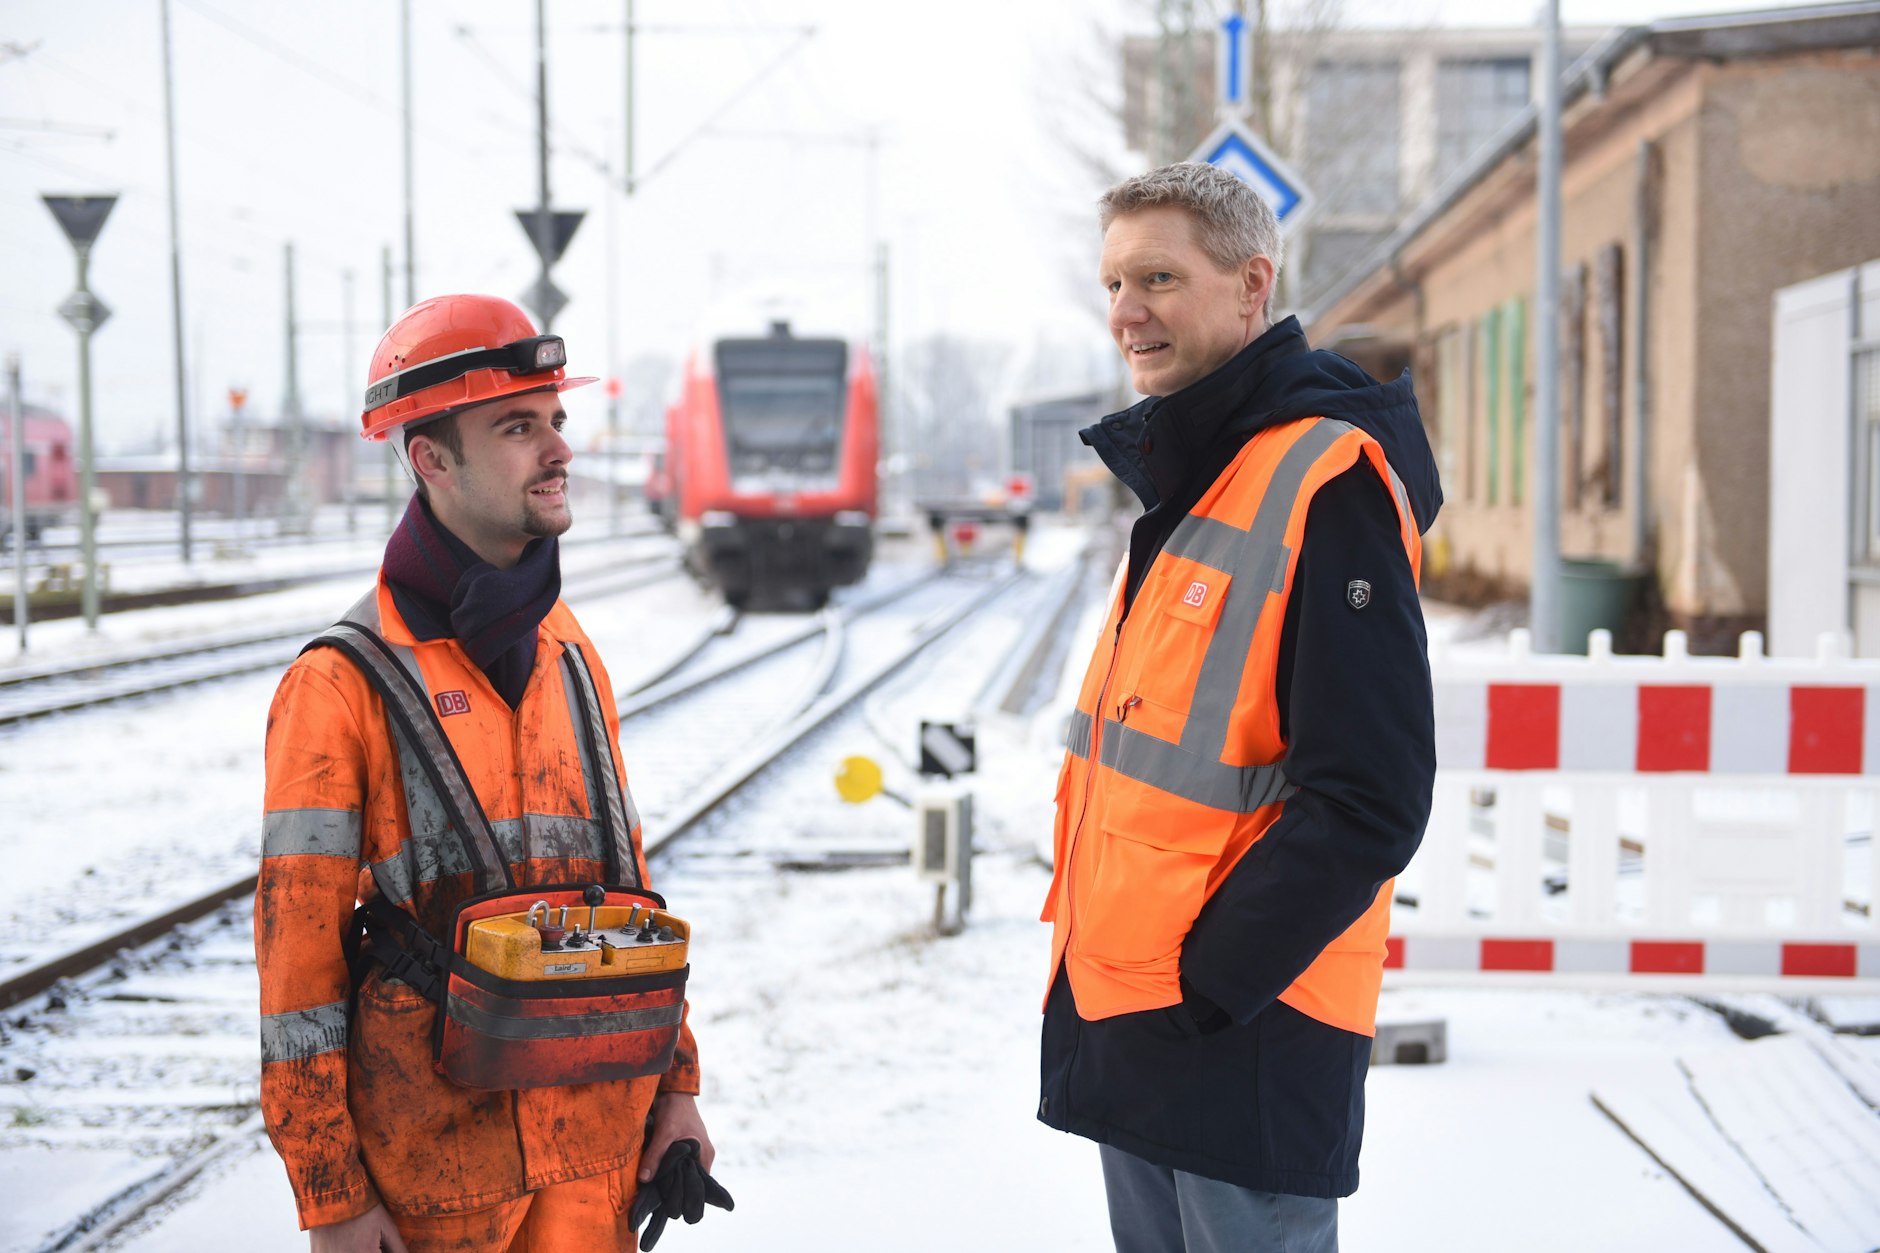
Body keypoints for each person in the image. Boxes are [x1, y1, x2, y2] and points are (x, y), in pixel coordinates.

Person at [257, 294, 720, 1252]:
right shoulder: (341, 684)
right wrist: (330, 1194)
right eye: (517, 427)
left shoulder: (569, 651)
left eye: (555, 421)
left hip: (596, 1160)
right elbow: (295, 976)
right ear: (429, 458)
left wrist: (675, 1088)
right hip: (444, 1187)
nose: (558, 450)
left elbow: (627, 894)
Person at [1037, 162, 1441, 1252]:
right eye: (1114, 280)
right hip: (1140, 1019)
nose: (1126, 311)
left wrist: (1209, 984)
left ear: (1250, 284)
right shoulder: (1200, 472)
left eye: (1159, 276)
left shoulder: (1324, 478)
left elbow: (1369, 794)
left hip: (1240, 1031)